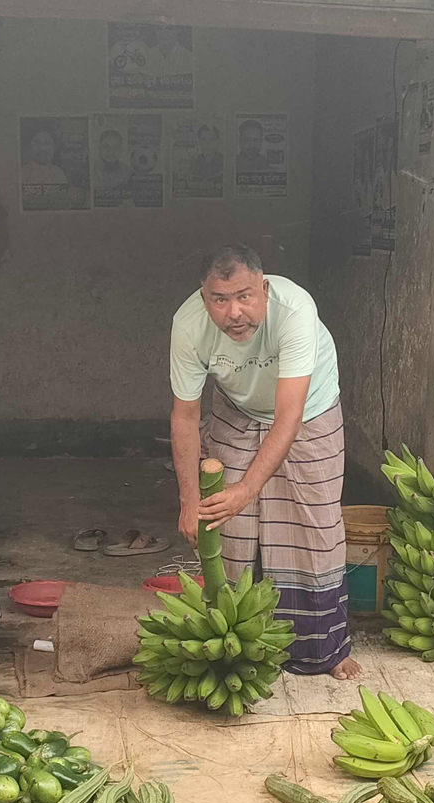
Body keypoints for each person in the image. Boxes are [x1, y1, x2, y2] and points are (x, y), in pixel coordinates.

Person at [168, 244, 360, 680]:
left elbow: (288, 415)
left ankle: (325, 649)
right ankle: (236, 645)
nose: (234, 312)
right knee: (226, 522)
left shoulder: (295, 311)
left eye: (244, 296)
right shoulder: (188, 325)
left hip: (309, 408)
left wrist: (248, 488)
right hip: (237, 407)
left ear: (264, 288)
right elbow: (185, 416)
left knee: (312, 526)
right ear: (204, 297)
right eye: (220, 300)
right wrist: (188, 501)